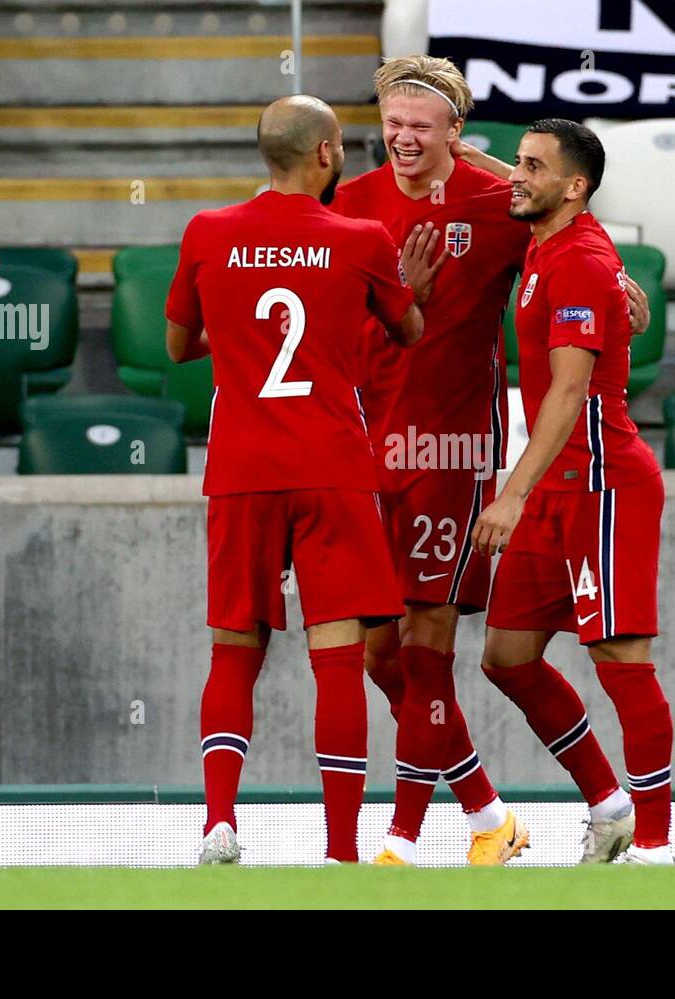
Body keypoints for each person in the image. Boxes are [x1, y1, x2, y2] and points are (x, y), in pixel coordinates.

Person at [333, 56, 652, 866]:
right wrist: (403, 303)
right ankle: (487, 813)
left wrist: (619, 283)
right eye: (392, 123)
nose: (402, 138)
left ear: (454, 132)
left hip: (458, 446)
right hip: (372, 446)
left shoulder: (501, 201)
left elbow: (569, 217)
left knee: (426, 643)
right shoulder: (353, 205)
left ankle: (404, 839)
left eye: (420, 125)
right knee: (382, 653)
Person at [165, 95, 425, 865]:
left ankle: (219, 821)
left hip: (242, 467)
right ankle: (341, 851)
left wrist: (243, 328)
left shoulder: (207, 232)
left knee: (232, 648)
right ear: (325, 154)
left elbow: (178, 346)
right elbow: (408, 330)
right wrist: (394, 291)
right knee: (337, 653)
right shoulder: (363, 237)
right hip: (332, 467)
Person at [473, 120, 675, 865]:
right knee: (507, 657)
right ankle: (610, 802)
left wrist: (511, 492)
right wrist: (459, 148)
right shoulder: (552, 234)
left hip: (600, 482)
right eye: (517, 162)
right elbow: (528, 185)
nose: (515, 176)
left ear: (575, 187)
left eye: (531, 167)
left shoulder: (581, 259)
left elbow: (566, 391)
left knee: (622, 658)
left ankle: (654, 845)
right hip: (556, 485)